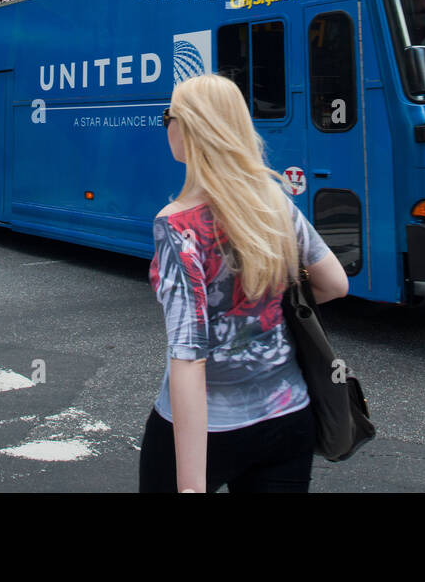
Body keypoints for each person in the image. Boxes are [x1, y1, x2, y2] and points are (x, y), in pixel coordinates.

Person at [140, 73, 349, 494]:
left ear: (191, 128)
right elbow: (335, 284)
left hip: (213, 428)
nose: (167, 126)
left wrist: (191, 488)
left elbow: (188, 357)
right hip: (289, 416)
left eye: (169, 116)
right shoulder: (273, 202)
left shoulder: (177, 224)